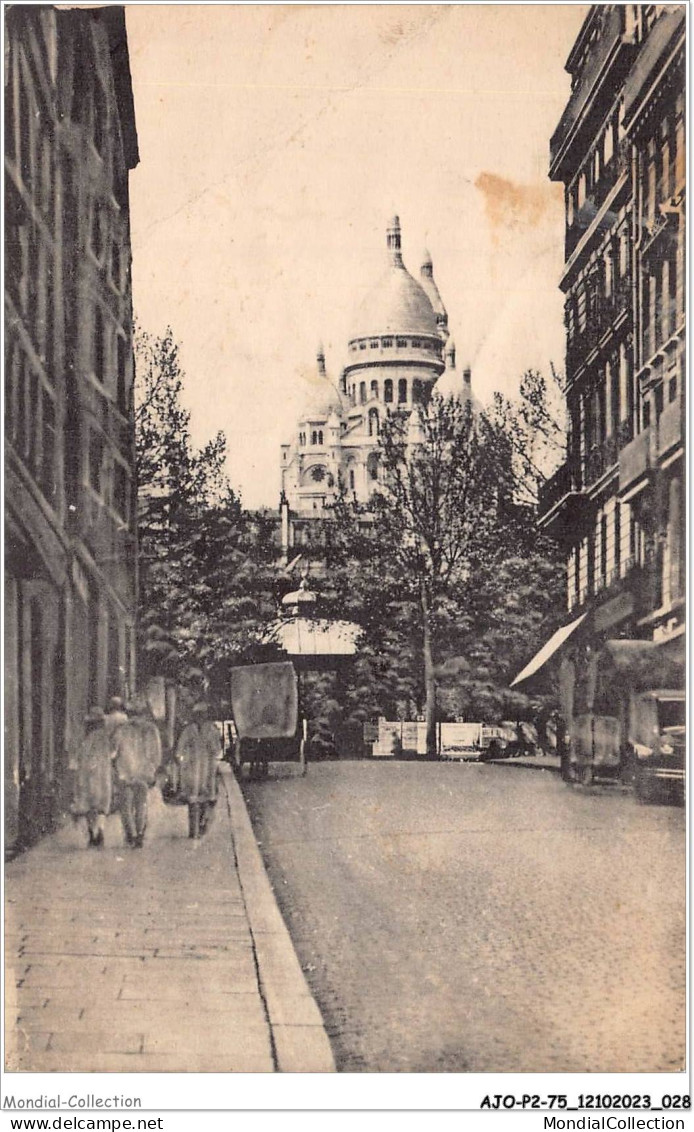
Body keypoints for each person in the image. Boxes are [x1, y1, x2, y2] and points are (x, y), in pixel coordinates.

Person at [111, 696, 161, 849]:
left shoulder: (121, 730)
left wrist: (113, 766)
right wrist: (153, 769)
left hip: (125, 772)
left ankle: (131, 834)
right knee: (141, 804)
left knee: (125, 805)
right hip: (144, 773)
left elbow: (112, 752)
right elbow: (156, 753)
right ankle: (139, 833)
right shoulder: (152, 730)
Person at [174, 703, 222, 839]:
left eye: (202, 715)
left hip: (207, 767)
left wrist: (214, 755)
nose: (200, 718)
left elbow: (217, 749)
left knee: (205, 799)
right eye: (197, 715)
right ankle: (193, 828)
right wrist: (181, 758)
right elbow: (180, 747)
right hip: (191, 767)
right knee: (192, 799)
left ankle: (202, 823)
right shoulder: (188, 730)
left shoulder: (212, 730)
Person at [71, 706, 114, 848]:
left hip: (88, 776)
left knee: (89, 807)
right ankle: (100, 831)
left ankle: (92, 834)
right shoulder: (107, 738)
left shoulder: (87, 739)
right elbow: (112, 754)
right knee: (102, 807)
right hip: (104, 776)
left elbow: (80, 757)